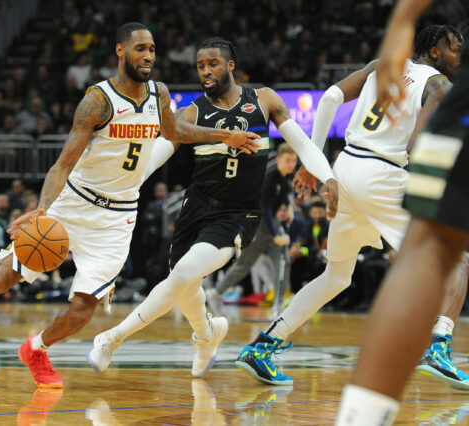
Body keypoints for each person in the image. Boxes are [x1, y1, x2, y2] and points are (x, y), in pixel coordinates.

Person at [0, 23, 259, 389]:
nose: (148, 56)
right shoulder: (97, 100)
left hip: (117, 218)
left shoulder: (158, 93)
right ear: (120, 51)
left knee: (84, 308)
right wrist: (43, 208)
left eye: (151, 50)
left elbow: (175, 133)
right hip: (75, 202)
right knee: (5, 276)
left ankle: (36, 349)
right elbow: (63, 163)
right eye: (140, 49)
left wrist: (227, 135)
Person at [86, 37, 338, 377]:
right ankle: (206, 335)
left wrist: (328, 178)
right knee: (184, 285)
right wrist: (128, 183)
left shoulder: (263, 99)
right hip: (197, 206)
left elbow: (302, 144)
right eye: (201, 66)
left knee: (185, 275)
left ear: (230, 65)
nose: (206, 71)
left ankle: (113, 337)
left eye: (213, 64)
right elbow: (160, 150)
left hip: (237, 213)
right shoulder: (191, 112)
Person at [234, 23, 466, 388]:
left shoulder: (381, 65)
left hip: (346, 167)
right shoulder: (439, 84)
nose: (460, 54)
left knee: (338, 276)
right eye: (455, 48)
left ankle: (263, 345)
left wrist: (314, 161)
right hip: (384, 174)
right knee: (456, 256)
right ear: (435, 51)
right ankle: (438, 346)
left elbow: (328, 99)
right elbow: (417, 147)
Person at [335, 2, 469, 424]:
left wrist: (402, 21)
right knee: (437, 254)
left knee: (426, 253)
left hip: (369, 163)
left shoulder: (430, 78)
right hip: (391, 161)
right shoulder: (436, 82)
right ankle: (440, 343)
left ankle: (361, 417)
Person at [210, 143, 298, 309]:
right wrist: (276, 235)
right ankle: (216, 292)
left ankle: (280, 302)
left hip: (270, 222)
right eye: (288, 160)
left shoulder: (284, 177)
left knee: (283, 259)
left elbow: (285, 194)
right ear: (279, 159)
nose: (291, 164)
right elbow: (263, 209)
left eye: (293, 161)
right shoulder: (269, 177)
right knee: (245, 265)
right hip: (257, 224)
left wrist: (290, 208)